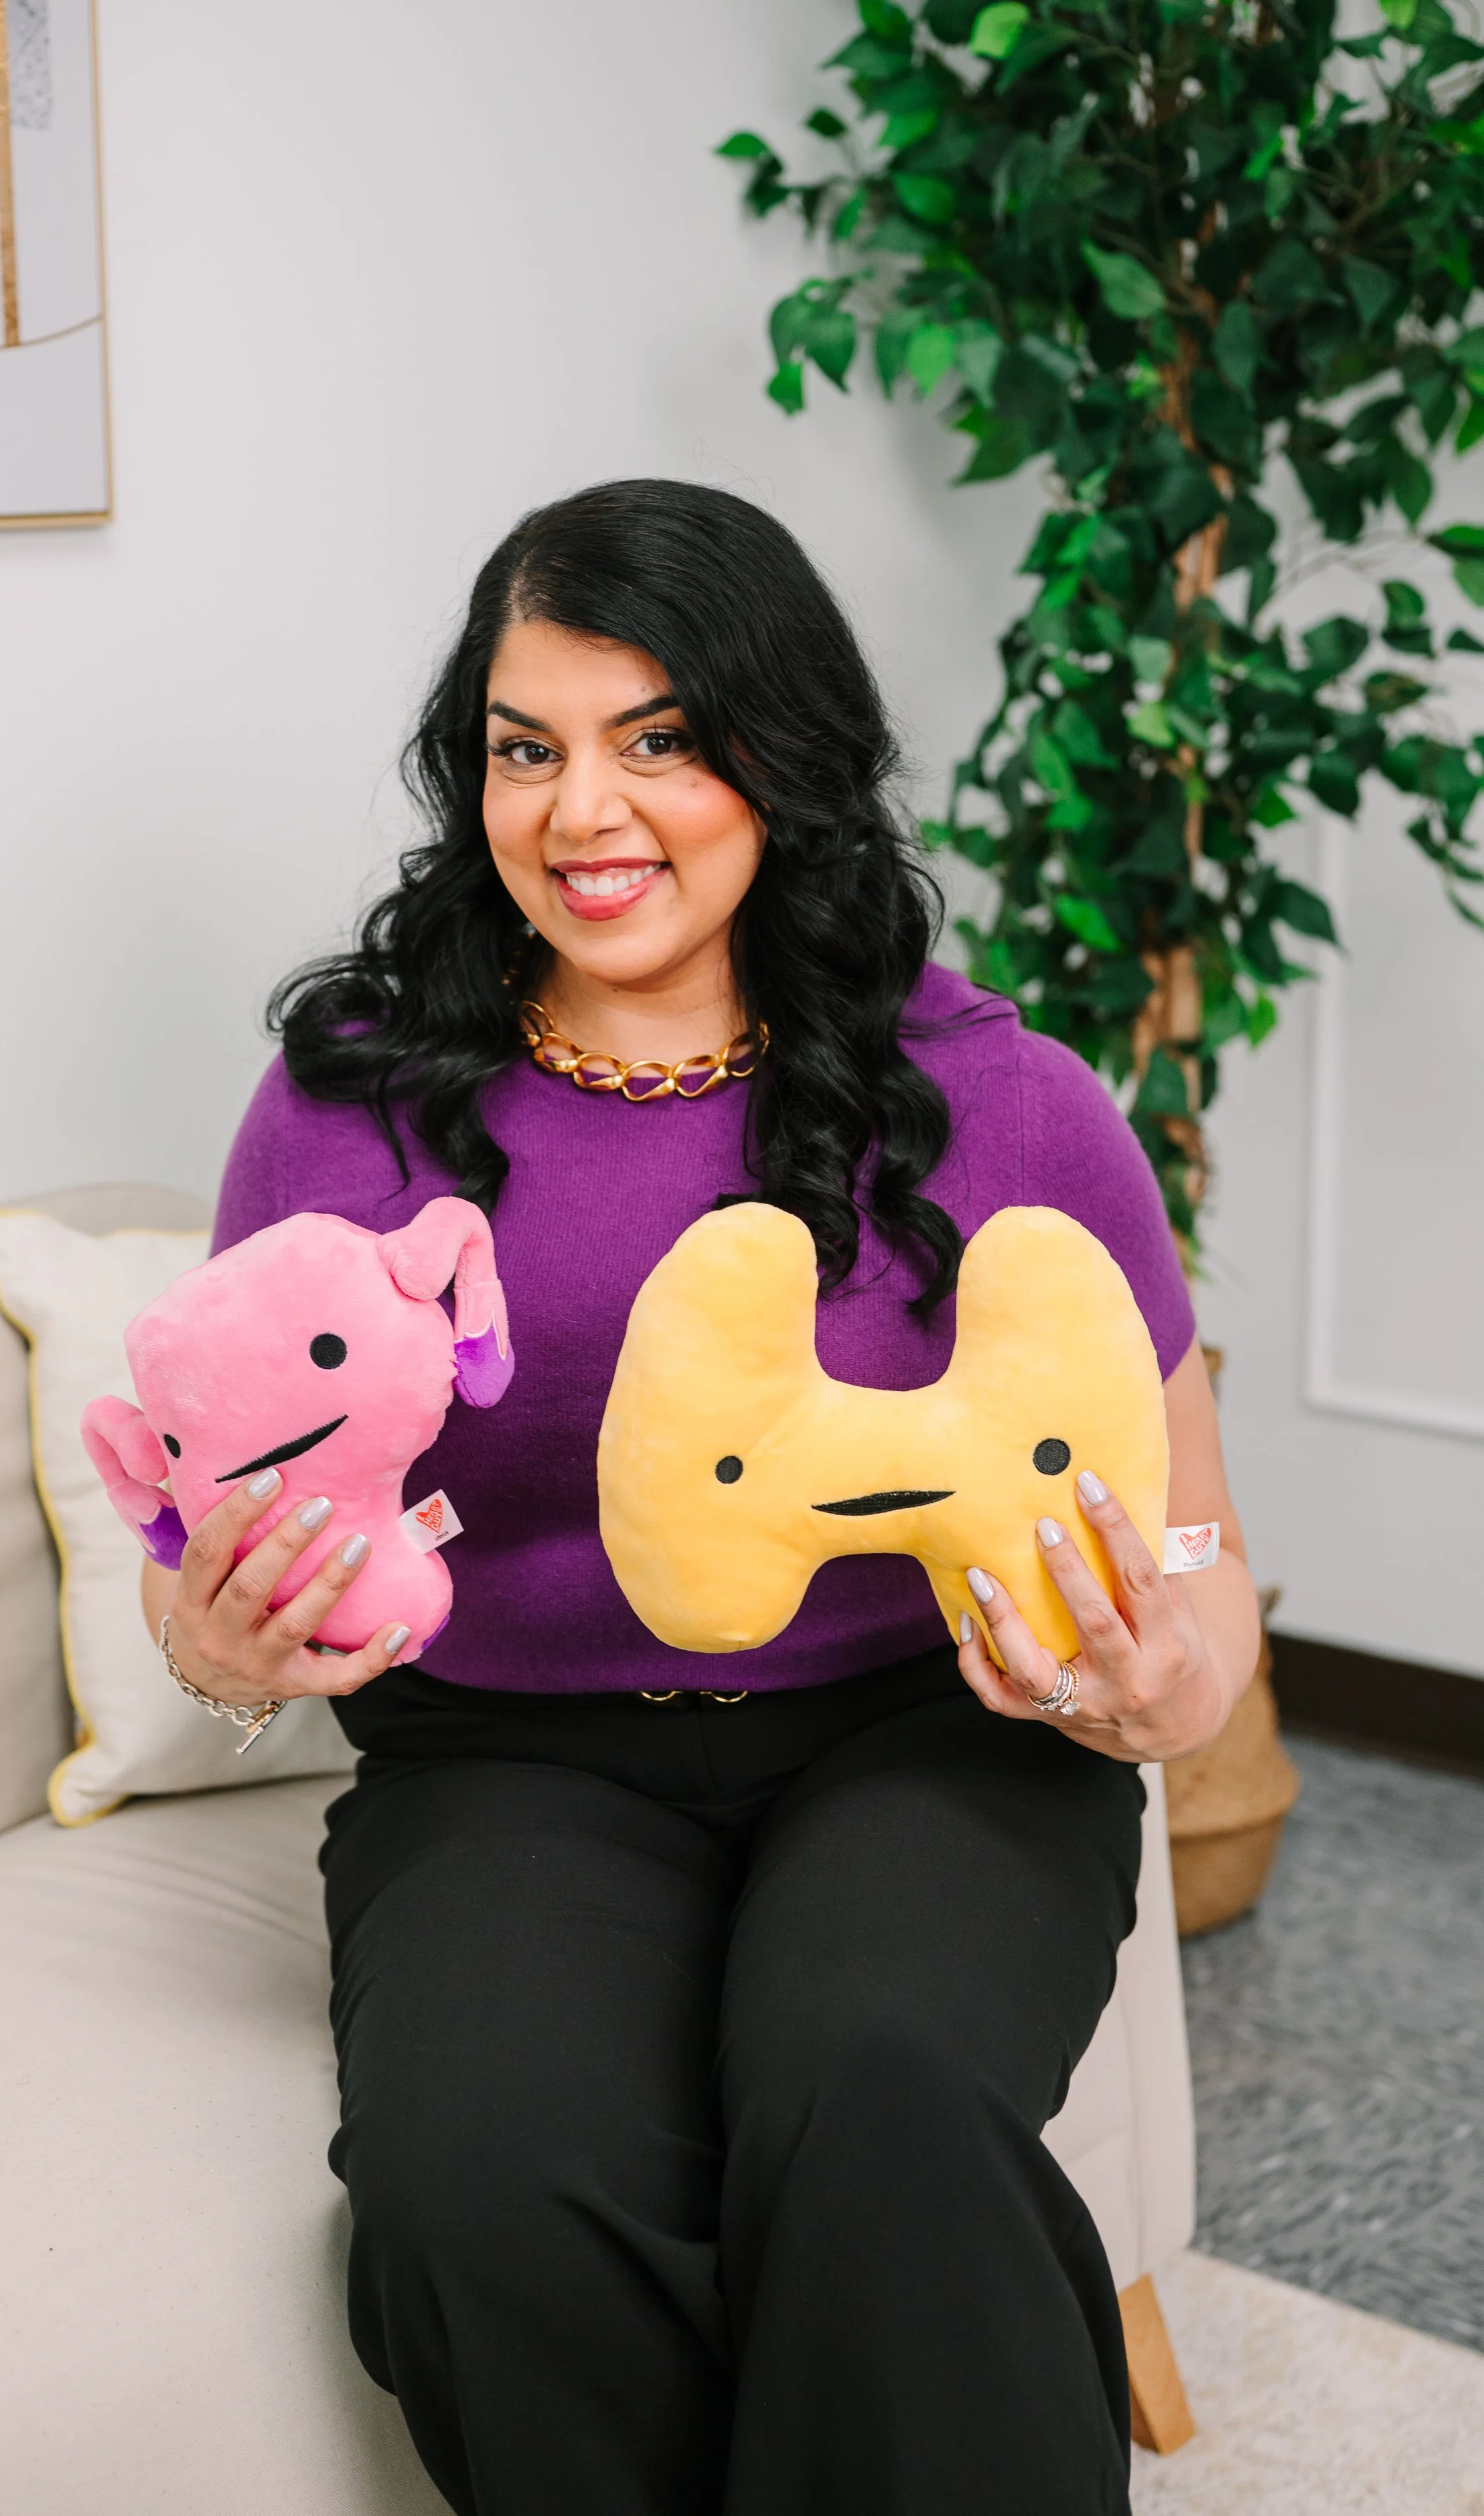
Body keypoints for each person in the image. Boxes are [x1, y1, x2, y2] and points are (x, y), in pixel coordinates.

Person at [141, 479, 1260, 2516]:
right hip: (505, 1757)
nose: (586, 811)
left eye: (660, 738)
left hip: (933, 1728)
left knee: (874, 2084)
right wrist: (209, 1643)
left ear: (786, 753)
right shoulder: (347, 1101)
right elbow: (228, 1514)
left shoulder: (1003, 1095)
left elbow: (1192, 1551)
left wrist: (1158, 1687)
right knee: (476, 2178)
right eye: (523, 745)